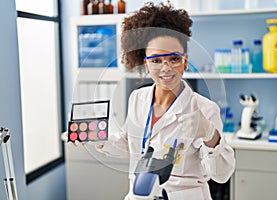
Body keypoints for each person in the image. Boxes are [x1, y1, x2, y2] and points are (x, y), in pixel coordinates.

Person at [73, 2, 235, 199]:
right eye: (156, 60)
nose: (165, 68)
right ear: (146, 64)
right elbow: (129, 144)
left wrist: (210, 134)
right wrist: (96, 137)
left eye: (174, 59)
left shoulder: (204, 109)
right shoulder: (137, 98)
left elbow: (221, 175)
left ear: (185, 61)